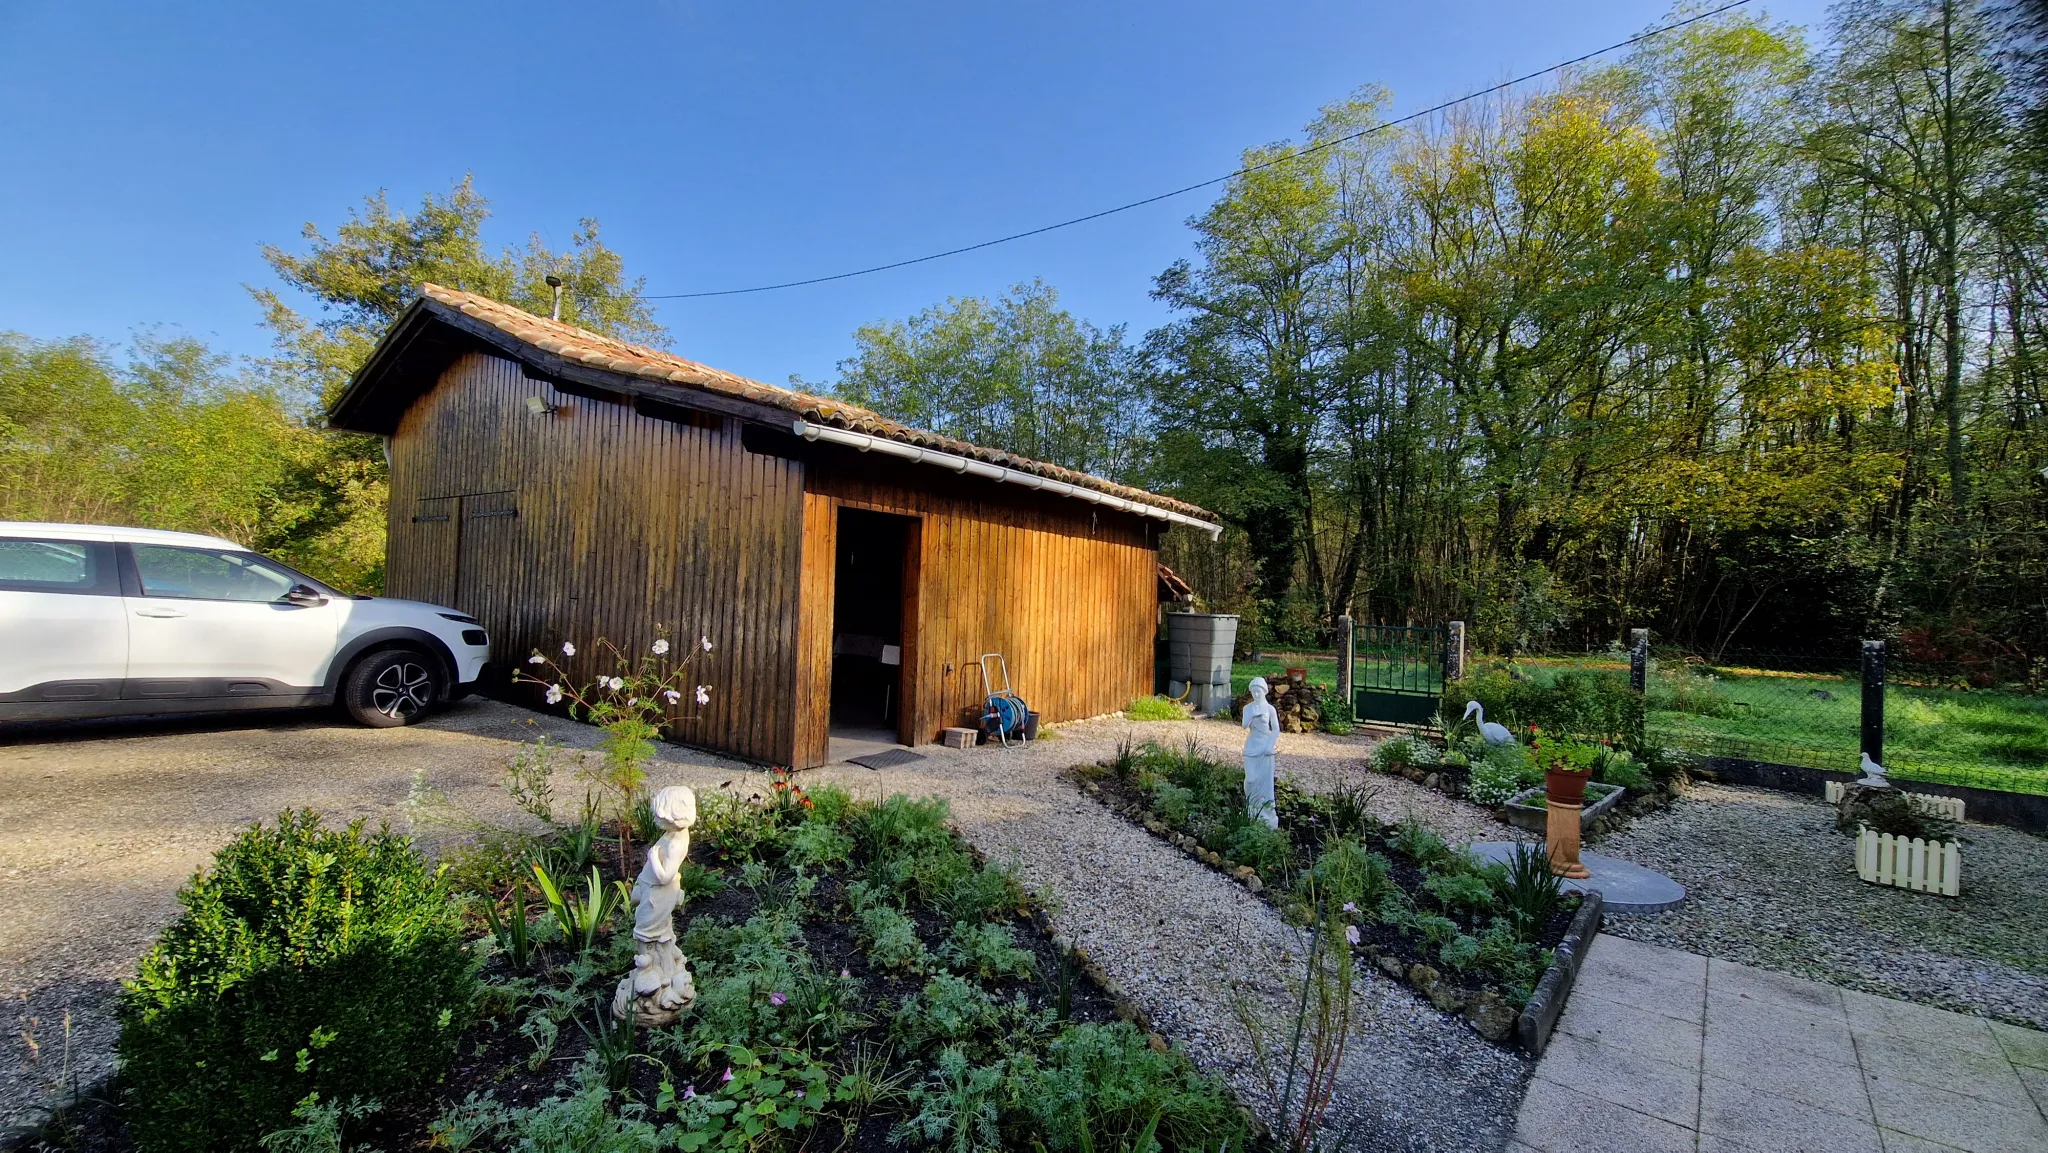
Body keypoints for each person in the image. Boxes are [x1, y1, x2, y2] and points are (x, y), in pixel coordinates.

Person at [1242, 677, 1279, 829]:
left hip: (1264, 746)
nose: (1256, 695)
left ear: (1264, 691)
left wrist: (1270, 746)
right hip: (1251, 746)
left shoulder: (1270, 709)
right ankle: (1250, 805)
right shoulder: (1248, 708)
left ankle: (1264, 809)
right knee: (1250, 779)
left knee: (1265, 781)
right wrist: (1252, 715)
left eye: (1259, 691)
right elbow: (1244, 725)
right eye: (1253, 692)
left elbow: (1276, 729)